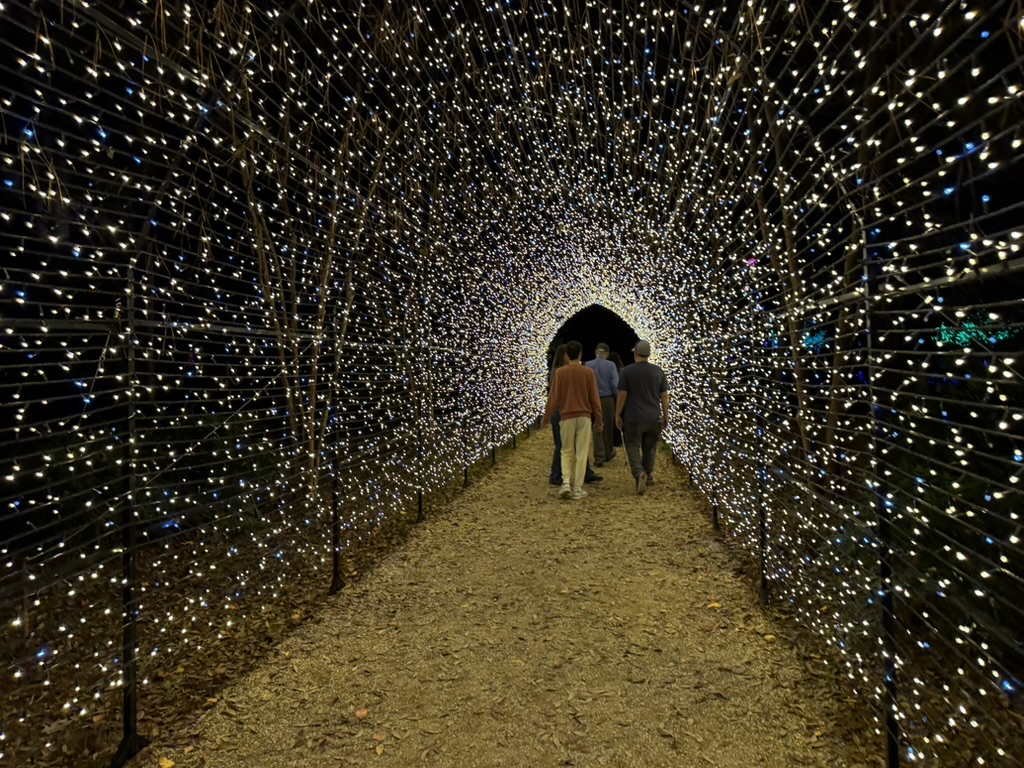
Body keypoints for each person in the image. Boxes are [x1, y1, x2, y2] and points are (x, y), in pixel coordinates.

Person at [543, 340, 604, 500]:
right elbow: (594, 398)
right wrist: (599, 419)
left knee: (566, 450)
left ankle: (565, 482)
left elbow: (553, 397)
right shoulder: (588, 373)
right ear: (580, 354)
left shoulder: (560, 373)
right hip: (584, 416)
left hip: (566, 415)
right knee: (581, 452)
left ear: (567, 355)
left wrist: (546, 417)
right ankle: (577, 487)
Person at [615, 339, 669, 495]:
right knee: (650, 448)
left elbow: (622, 395)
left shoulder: (627, 372)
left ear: (636, 354)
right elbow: (664, 396)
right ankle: (648, 476)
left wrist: (617, 414)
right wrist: (666, 415)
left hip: (633, 417)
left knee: (632, 445)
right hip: (653, 417)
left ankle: (639, 473)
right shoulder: (658, 371)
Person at [585, 343, 619, 466]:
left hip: (591, 399)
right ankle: (608, 452)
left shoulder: (588, 365)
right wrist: (617, 398)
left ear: (596, 352)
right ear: (607, 353)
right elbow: (615, 384)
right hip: (607, 399)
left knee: (596, 426)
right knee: (608, 426)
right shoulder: (611, 365)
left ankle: (599, 456)